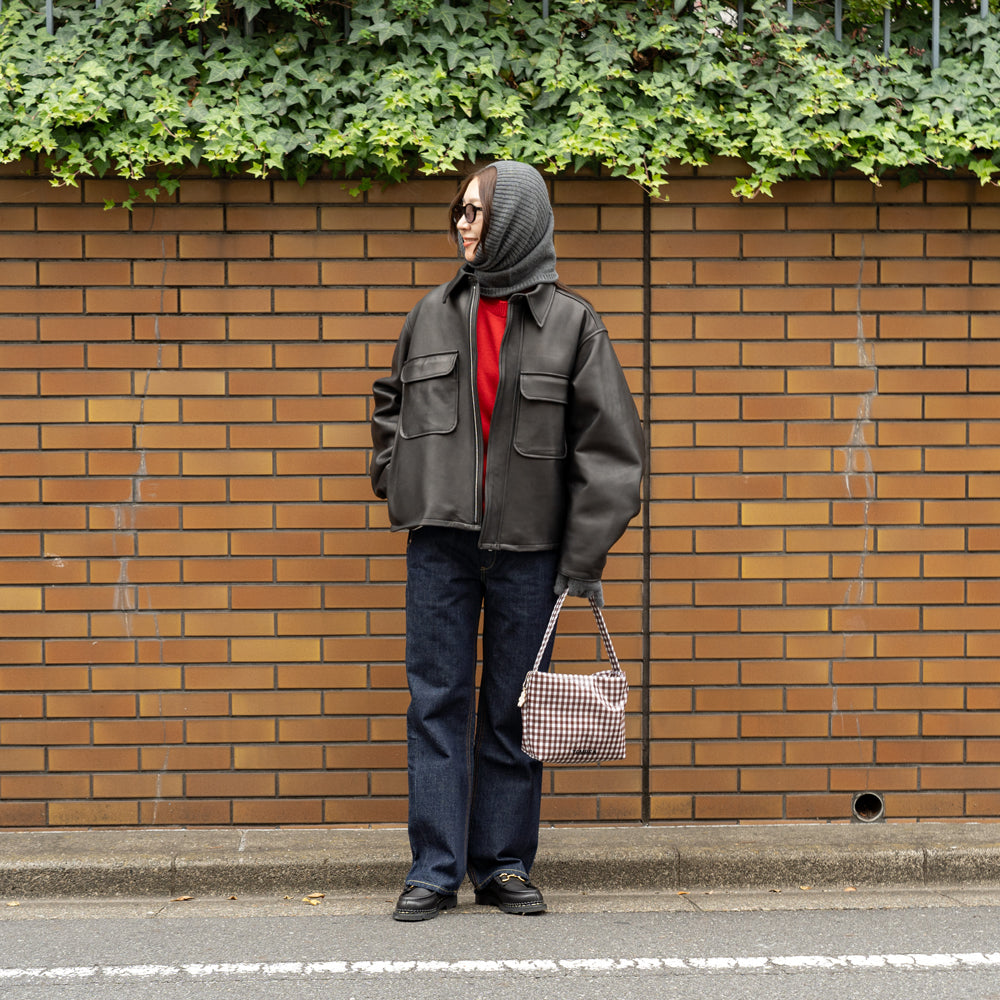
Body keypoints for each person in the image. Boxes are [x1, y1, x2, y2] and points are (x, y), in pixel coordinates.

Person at [370, 161, 644, 921]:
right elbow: (391, 407)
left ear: (517, 221)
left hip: (532, 553)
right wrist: (397, 477)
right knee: (436, 702)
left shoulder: (574, 325)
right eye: (459, 211)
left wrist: (582, 558)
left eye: (476, 211)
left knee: (514, 710)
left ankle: (502, 866)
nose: (461, 224)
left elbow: (613, 453)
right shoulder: (429, 314)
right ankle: (433, 869)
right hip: (440, 547)